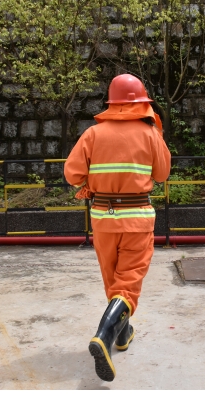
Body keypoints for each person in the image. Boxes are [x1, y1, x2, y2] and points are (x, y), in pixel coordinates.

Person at [64, 73, 171, 383]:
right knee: (127, 285)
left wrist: (93, 180)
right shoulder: (150, 134)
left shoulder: (93, 134)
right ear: (142, 102)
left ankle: (123, 335)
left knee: (114, 283)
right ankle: (105, 336)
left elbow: (72, 175)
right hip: (137, 217)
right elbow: (162, 174)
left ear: (111, 102)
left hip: (102, 217)